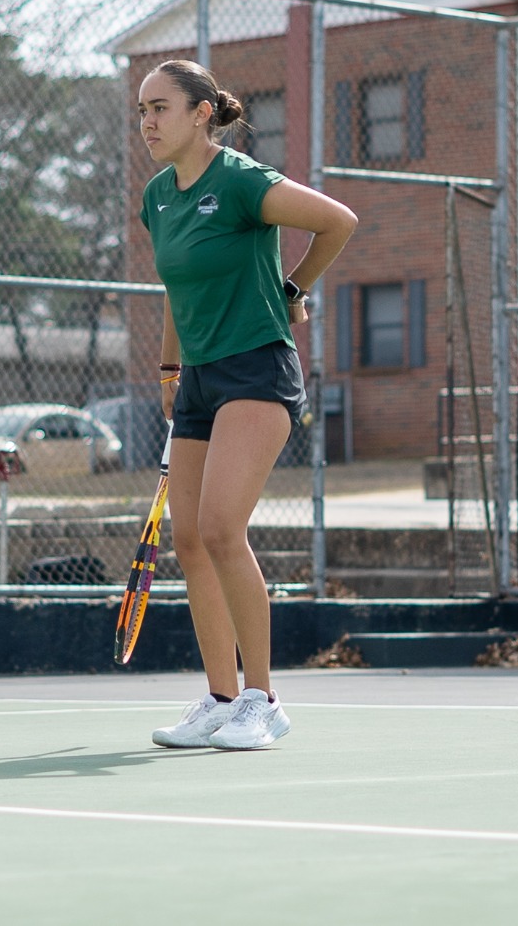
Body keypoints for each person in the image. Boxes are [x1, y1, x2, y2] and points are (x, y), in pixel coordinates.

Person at [136, 60, 357, 751]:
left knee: (223, 529)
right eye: (142, 110)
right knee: (192, 540)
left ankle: (263, 700)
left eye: (161, 107)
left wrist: (293, 292)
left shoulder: (239, 181)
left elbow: (338, 221)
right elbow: (176, 283)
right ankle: (221, 696)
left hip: (258, 369)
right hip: (199, 377)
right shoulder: (159, 197)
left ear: (202, 113)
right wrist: (171, 364)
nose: (147, 121)